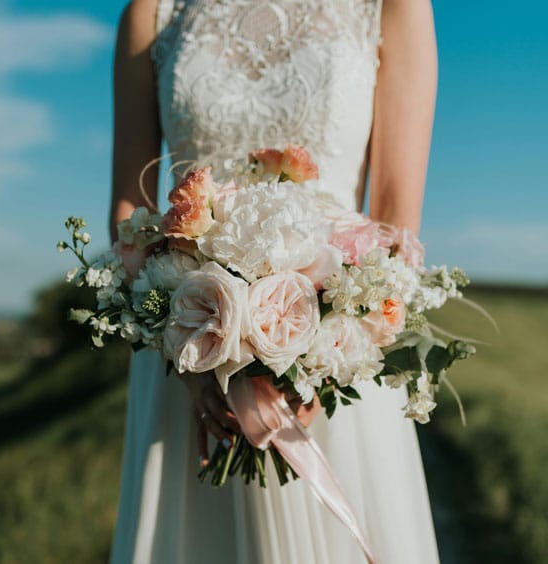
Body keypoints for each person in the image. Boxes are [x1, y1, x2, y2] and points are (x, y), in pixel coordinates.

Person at [109, 0, 440, 562]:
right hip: (187, 353)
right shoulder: (154, 11)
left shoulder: (393, 6)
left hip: (337, 349)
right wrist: (192, 356)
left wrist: (323, 357)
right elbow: (128, 215)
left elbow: (393, 218)